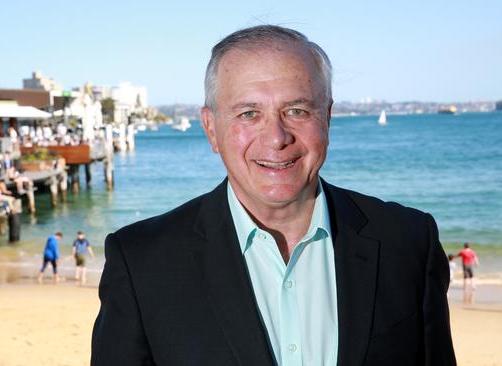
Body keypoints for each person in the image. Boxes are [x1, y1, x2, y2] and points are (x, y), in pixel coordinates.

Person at [91, 25, 456, 366]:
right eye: (249, 113)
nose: (277, 137)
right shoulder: (142, 263)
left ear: (326, 118)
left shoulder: (408, 241)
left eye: (296, 110)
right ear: (211, 129)